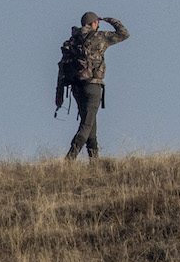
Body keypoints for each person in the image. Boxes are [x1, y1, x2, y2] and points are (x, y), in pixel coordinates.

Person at [55, 12, 130, 160]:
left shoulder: (72, 41)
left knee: (91, 125)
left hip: (76, 88)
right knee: (87, 125)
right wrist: (108, 19)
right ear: (94, 23)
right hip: (93, 86)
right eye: (97, 23)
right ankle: (70, 158)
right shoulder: (100, 37)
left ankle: (94, 162)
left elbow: (62, 68)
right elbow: (124, 33)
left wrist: (59, 95)